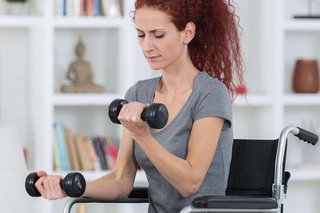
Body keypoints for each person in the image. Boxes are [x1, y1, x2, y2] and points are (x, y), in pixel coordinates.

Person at [35, 0, 244, 212]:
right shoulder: (139, 94)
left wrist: (142, 135)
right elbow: (121, 180)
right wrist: (69, 187)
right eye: (141, 35)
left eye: (158, 35)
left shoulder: (210, 93)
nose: (147, 46)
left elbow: (189, 183)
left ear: (187, 33)